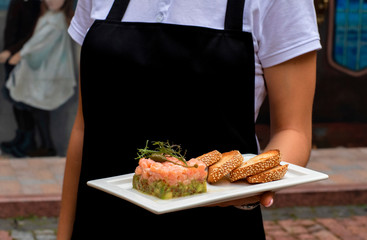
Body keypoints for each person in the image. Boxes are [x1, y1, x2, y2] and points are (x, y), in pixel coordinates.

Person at [57, 0, 321, 239]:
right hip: (99, 222)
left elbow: (293, 130)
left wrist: (245, 187)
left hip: (215, 225)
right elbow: (83, 127)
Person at [2, 0, 76, 157]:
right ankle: (38, 143)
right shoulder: (49, 15)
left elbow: (40, 42)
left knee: (38, 107)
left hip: (46, 73)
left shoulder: (55, 20)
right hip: (40, 70)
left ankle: (46, 145)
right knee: (32, 105)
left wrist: (20, 53)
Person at [0, 0, 41, 157]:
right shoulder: (17, 2)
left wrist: (12, 51)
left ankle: (28, 141)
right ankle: (21, 135)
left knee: (23, 102)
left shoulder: (34, 5)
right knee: (14, 99)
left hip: (22, 58)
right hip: (10, 56)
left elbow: (32, 35)